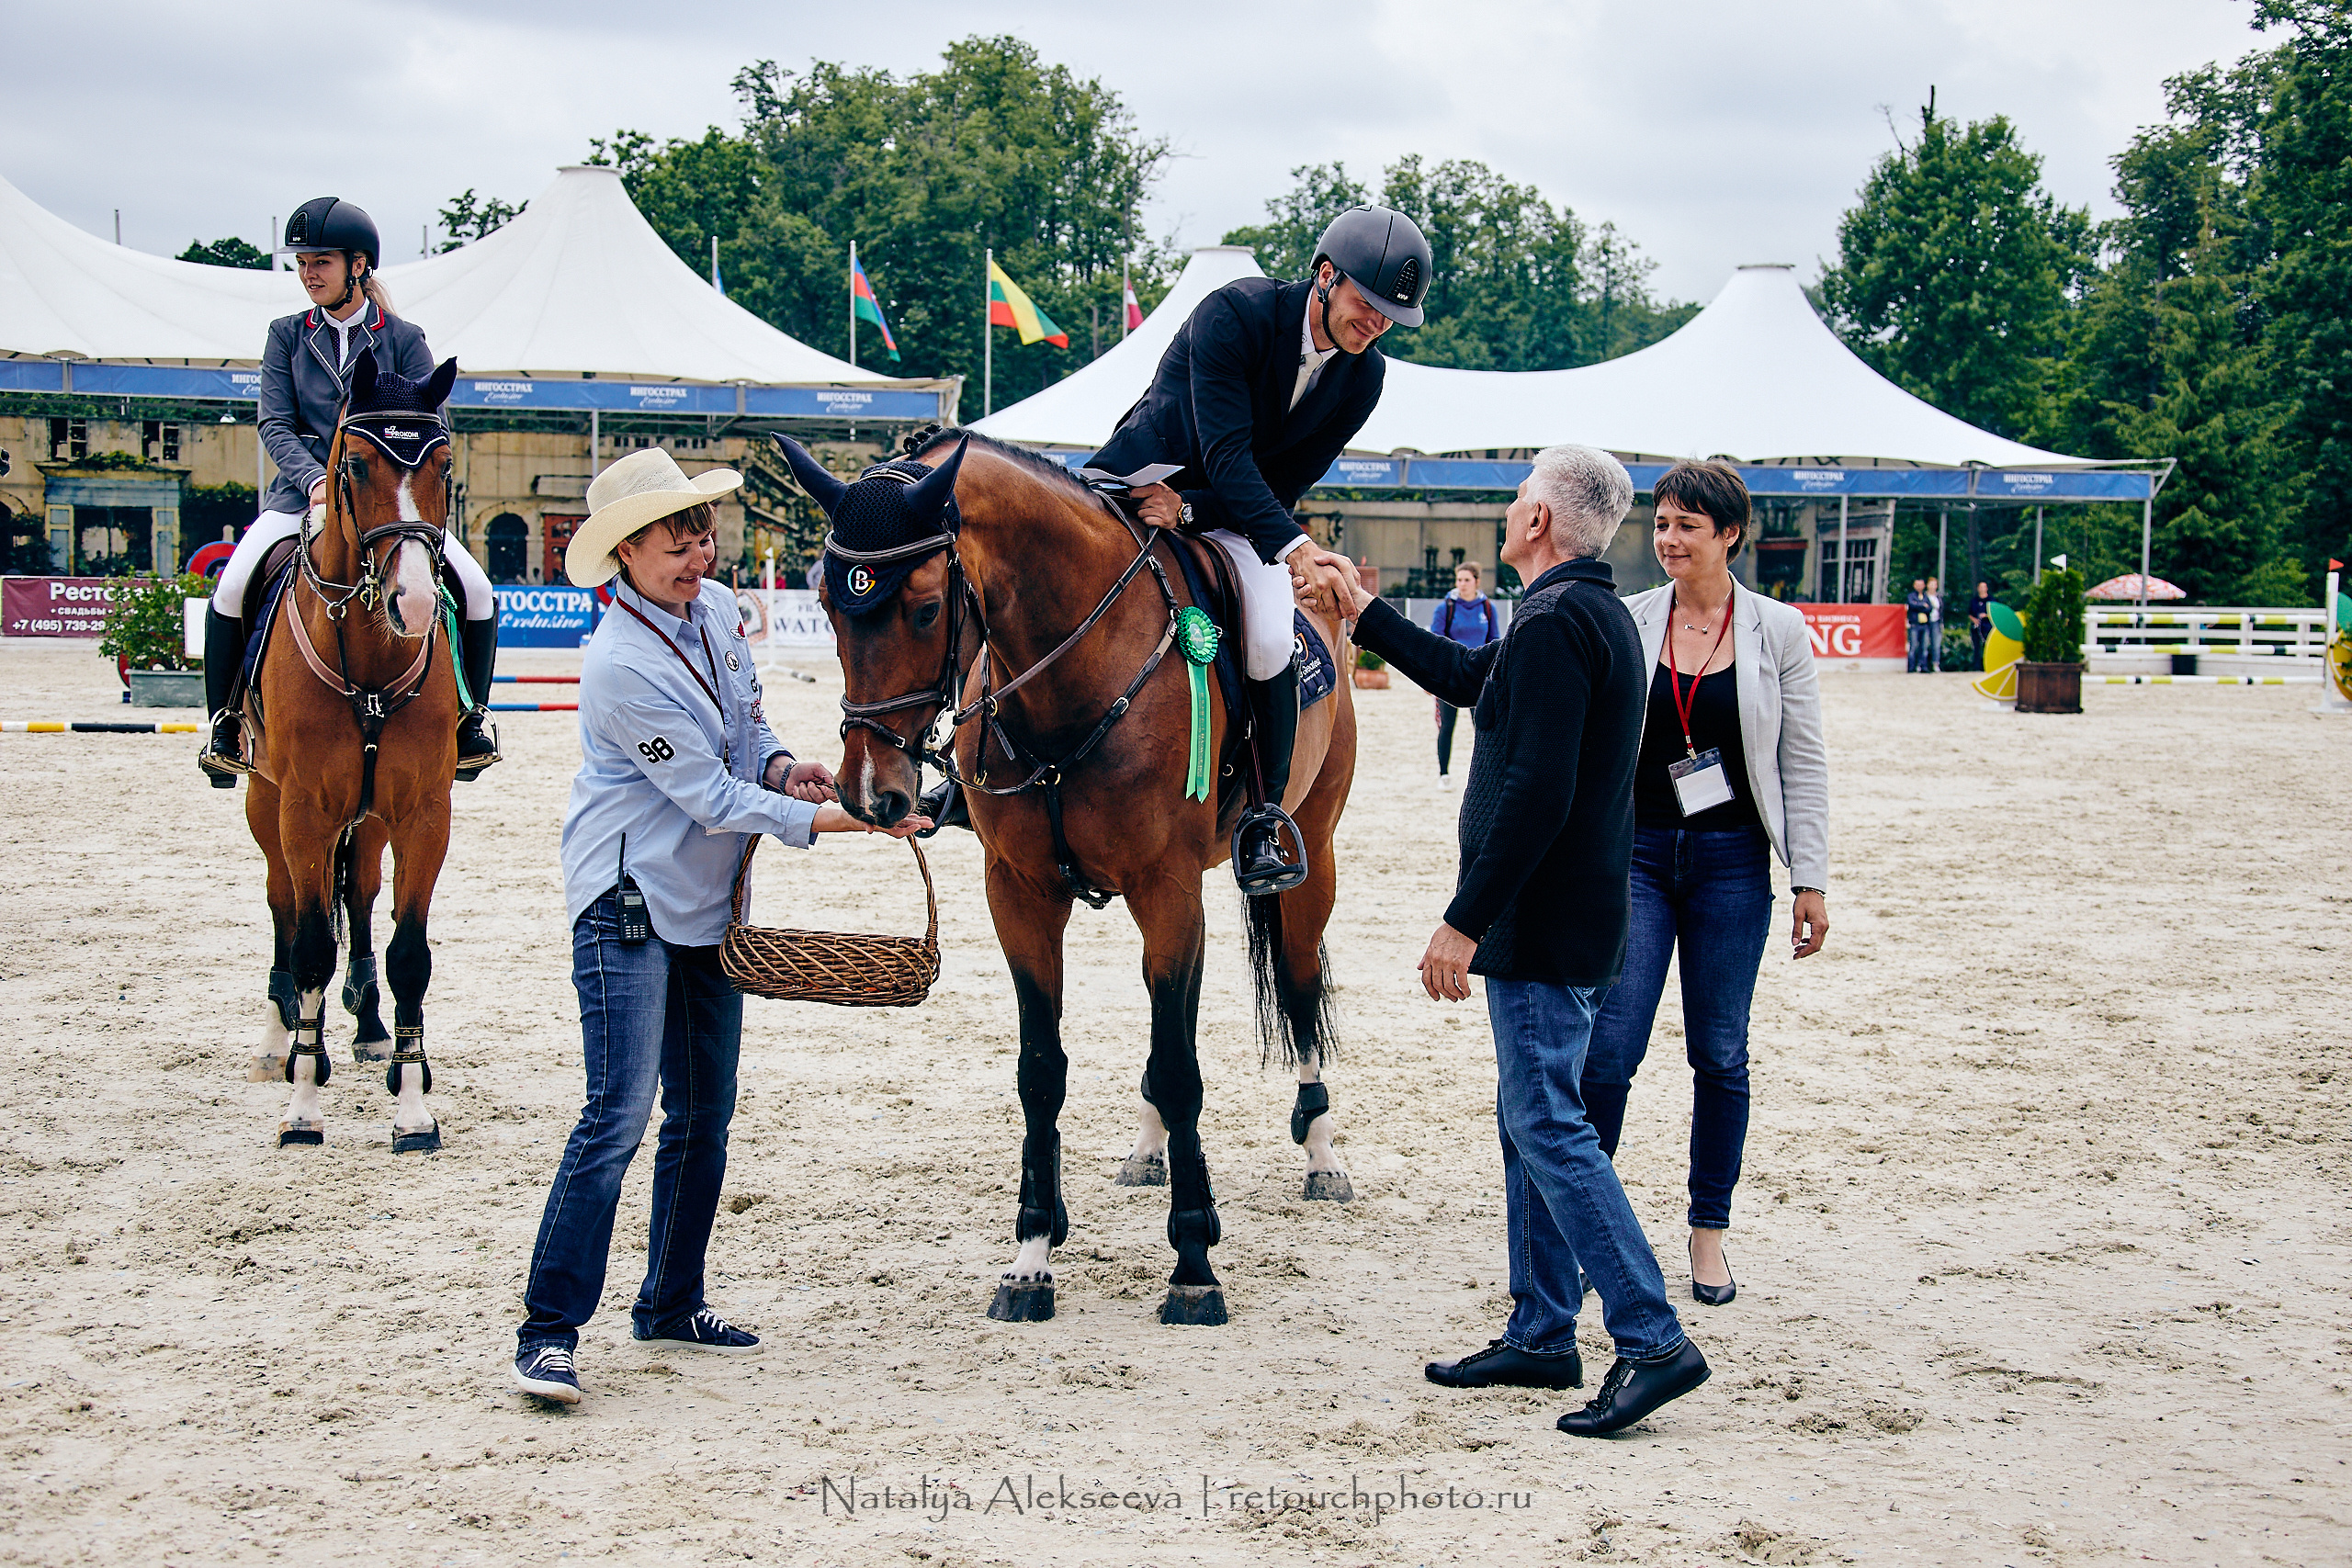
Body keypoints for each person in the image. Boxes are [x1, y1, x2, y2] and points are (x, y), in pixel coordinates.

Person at [1298, 444, 1711, 1438]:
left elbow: (1535, 794)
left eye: (1520, 496)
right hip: (1566, 914)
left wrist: (1462, 921)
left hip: (1539, 919)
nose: (1510, 508)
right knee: (1531, 1121)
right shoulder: (1578, 615)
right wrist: (1363, 607)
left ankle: (1652, 1338)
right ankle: (1541, 1330)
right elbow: (1469, 674)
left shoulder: (1559, 623)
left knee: (1546, 1124)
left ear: (1536, 523)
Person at [511, 449, 927, 1406]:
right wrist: (847, 817)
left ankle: (670, 1302)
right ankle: (546, 1330)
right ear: (623, 552)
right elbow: (703, 794)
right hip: (626, 904)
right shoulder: (617, 664)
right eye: (675, 539)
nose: (696, 552)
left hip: (705, 903)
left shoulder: (715, 613)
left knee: (704, 1116)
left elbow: (748, 731)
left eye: (700, 532)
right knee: (616, 1118)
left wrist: (794, 772)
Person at [957, 203, 1433, 894]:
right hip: (1137, 483)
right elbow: (1225, 450)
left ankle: (1264, 817)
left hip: (1227, 515)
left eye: (1393, 315)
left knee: (1272, 638)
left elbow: (1288, 478)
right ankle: (965, 762)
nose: (1378, 323)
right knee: (1022, 582)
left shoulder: (1365, 375)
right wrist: (1289, 547)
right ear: (1326, 276)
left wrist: (1193, 512)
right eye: (1369, 303)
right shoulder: (1234, 315)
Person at [1584, 462, 1830, 1308]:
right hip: (1640, 855)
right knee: (1612, 1046)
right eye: (1660, 522)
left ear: (1730, 534)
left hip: (1733, 861)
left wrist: (1811, 878)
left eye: (1688, 524)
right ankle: (1594, 1223)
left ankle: (1708, 1232)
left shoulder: (1779, 630)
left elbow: (1802, 760)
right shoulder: (1628, 619)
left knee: (1719, 1050)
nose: (1668, 538)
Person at [198, 197, 502, 784]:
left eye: (321, 261)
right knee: (232, 587)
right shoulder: (286, 336)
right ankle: (225, 721)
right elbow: (274, 424)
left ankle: (471, 721)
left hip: (390, 503)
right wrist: (314, 480)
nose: (309, 272)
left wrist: (394, 480)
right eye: (303, 262)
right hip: (300, 498)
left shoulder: (405, 339)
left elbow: (431, 423)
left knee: (479, 590)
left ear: (358, 266)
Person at [1429, 562, 1499, 786]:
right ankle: (1444, 774)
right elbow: (1435, 643)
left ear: (1477, 582)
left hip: (1480, 678)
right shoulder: (1445, 608)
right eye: (1459, 580)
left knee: (1483, 727)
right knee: (1447, 726)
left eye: (1466, 580)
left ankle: (1485, 775)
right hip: (1451, 677)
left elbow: (1494, 641)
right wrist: (1432, 677)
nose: (1462, 584)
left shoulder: (1487, 608)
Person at [1904, 578, 1932, 673]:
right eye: (1917, 585)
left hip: (1925, 625)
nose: (1919, 587)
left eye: (1921, 585)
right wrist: (1923, 606)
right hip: (1915, 624)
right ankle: (1911, 667)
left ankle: (1923, 666)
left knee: (1924, 647)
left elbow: (1930, 608)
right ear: (1914, 586)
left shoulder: (1925, 596)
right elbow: (1912, 605)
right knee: (1913, 647)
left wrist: (1919, 606)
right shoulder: (1911, 596)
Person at [1967, 580, 1995, 670]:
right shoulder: (1974, 600)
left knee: (1987, 647)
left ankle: (1987, 665)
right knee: (1976, 646)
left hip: (1987, 627)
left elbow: (1995, 614)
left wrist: (1986, 615)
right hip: (1976, 627)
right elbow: (1969, 613)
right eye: (1980, 587)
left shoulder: (1991, 600)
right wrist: (1974, 620)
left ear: (1987, 588)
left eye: (1984, 587)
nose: (1982, 589)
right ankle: (1976, 666)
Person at [1926, 575, 1947, 671]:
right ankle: (1923, 664)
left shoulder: (1939, 597)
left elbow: (1942, 610)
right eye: (1931, 584)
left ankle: (1936, 664)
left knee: (1936, 644)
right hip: (1925, 622)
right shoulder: (1924, 596)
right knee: (1924, 643)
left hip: (1936, 621)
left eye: (1935, 584)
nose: (1933, 586)